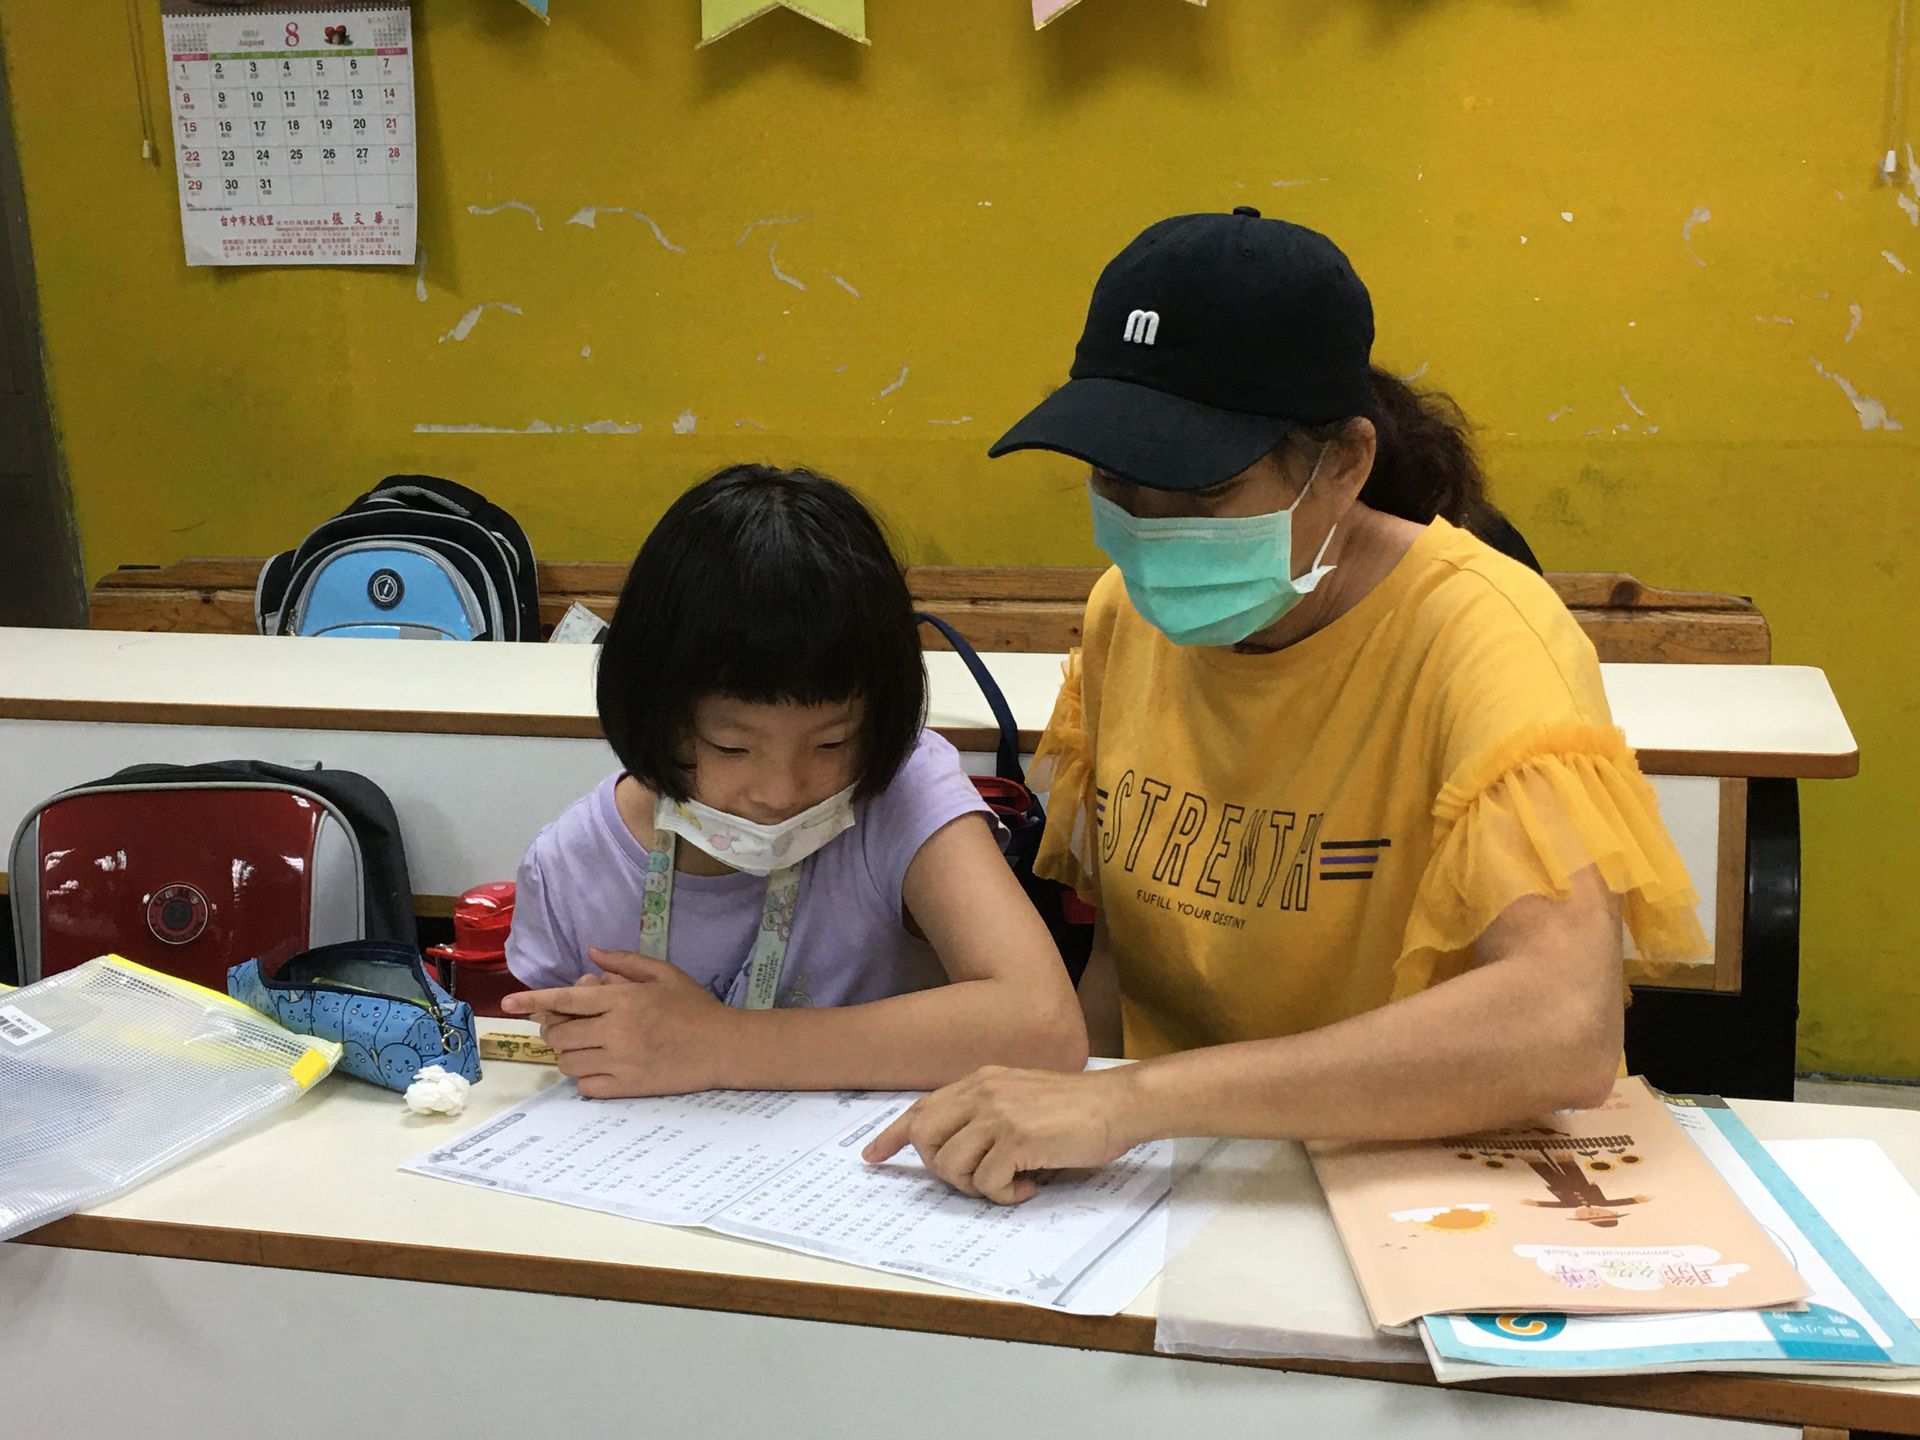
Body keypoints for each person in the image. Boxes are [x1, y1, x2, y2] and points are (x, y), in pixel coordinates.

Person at [864, 207, 1705, 1202]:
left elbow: (1561, 1031)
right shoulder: (1125, 617)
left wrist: (1132, 1103)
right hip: (1168, 1176)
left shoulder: (1488, 637)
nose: (1151, 533)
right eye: (1117, 483)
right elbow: (1123, 971)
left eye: (1204, 492)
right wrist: (1045, 1118)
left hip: (1413, 1178)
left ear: (1343, 464)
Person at [502, 464, 1087, 1097]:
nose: (781, 793)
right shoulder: (569, 870)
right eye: (731, 747)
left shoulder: (901, 791)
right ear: (654, 715)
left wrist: (719, 1044)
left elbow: (1045, 1028)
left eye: (832, 742)